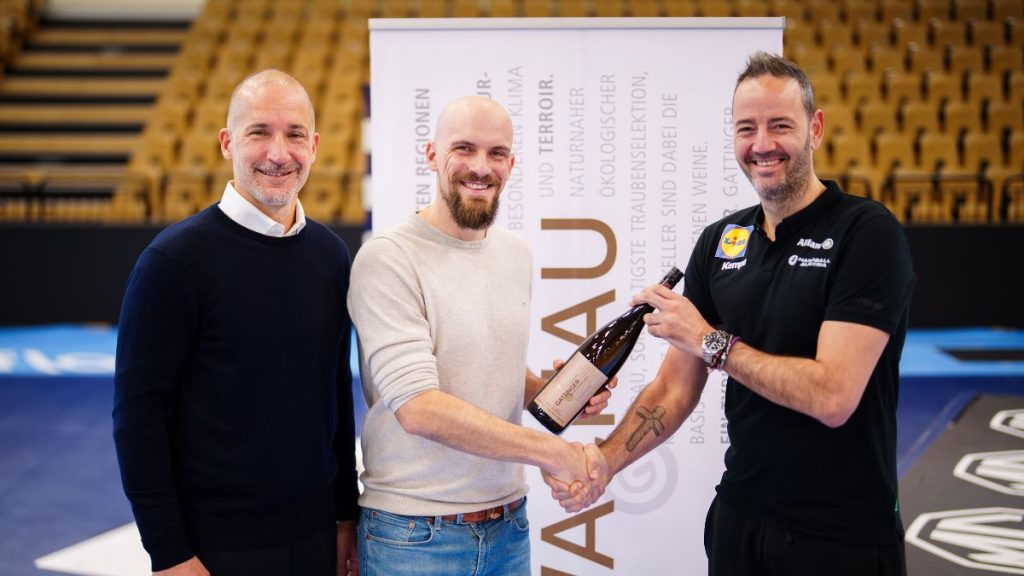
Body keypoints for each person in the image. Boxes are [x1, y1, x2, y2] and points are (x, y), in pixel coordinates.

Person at [550, 51, 915, 576]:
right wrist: (604, 461)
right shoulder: (721, 242)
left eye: (780, 126)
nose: (762, 145)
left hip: (841, 535)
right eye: (747, 128)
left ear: (815, 129)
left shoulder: (865, 233)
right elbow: (674, 389)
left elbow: (832, 397)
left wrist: (710, 342)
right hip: (739, 521)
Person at [347, 95, 608, 576]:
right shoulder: (387, 257)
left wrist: (558, 394)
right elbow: (420, 408)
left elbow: (485, 368)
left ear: (511, 163)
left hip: (510, 526)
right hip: (414, 536)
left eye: (496, 153)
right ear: (432, 154)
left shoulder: (515, 254)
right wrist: (555, 453)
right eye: (463, 149)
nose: (480, 168)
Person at [113, 69, 360, 576]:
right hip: (213, 550)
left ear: (313, 146)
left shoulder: (332, 257)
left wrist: (343, 516)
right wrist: (169, 552)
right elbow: (139, 416)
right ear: (227, 142)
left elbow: (334, 393)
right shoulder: (173, 261)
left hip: (316, 540)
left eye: (294, 134)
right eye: (258, 132)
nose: (278, 152)